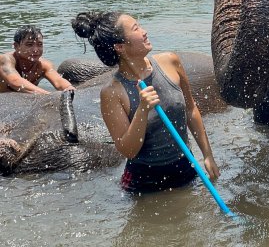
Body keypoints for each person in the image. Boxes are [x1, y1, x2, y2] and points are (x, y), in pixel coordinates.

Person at [71, 11, 220, 192]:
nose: (144, 31)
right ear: (120, 47)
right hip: (144, 183)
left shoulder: (170, 62)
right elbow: (128, 150)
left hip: (185, 167)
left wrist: (207, 154)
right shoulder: (112, 93)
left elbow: (190, 110)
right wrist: (142, 109)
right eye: (136, 29)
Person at [0, 25, 74, 94]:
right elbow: (14, 81)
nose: (36, 50)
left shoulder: (44, 65)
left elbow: (58, 81)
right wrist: (49, 95)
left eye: (40, 44)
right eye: (29, 44)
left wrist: (69, 88)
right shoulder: (5, 59)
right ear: (16, 46)